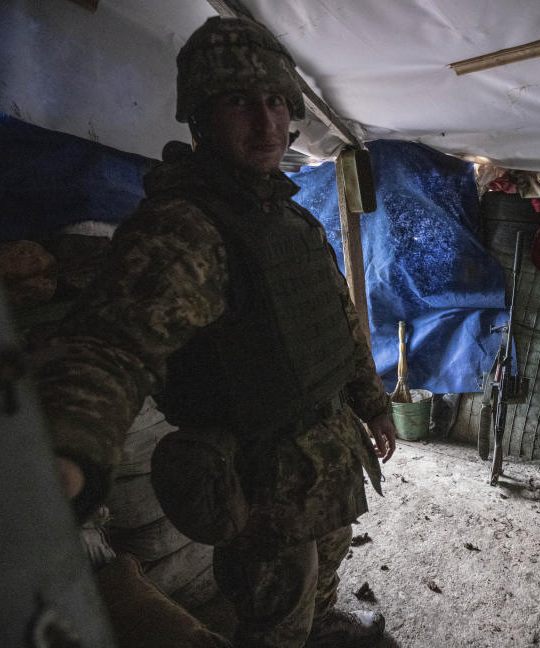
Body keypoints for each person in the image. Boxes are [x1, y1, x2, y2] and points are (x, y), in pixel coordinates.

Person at [33, 15, 398, 648]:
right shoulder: (185, 227)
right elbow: (111, 347)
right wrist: (73, 450)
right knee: (275, 608)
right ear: (201, 117)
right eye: (240, 102)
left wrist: (374, 406)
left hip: (328, 459)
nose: (266, 124)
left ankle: (320, 623)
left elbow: (340, 326)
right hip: (262, 480)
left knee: (326, 562)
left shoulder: (291, 220)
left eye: (278, 103)